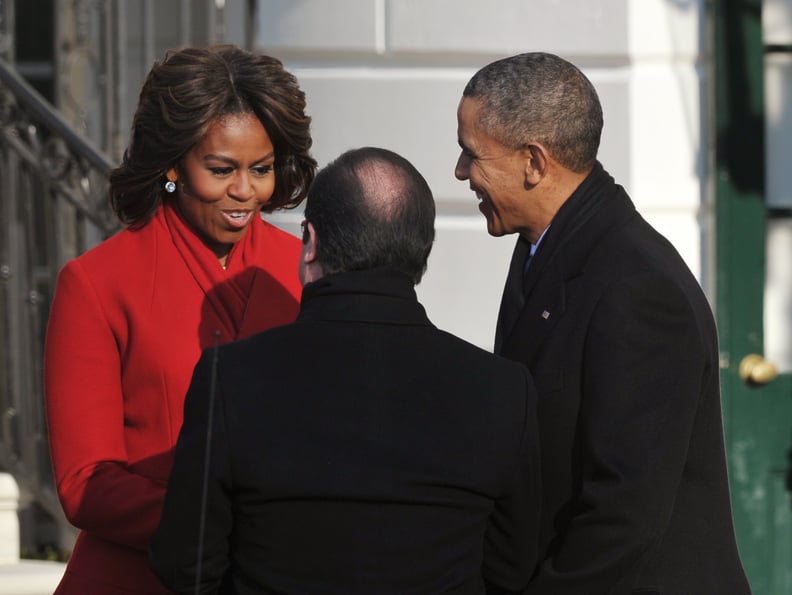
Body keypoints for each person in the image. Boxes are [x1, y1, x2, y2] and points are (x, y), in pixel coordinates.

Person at [148, 146, 542, 594]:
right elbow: (513, 567)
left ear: (311, 241)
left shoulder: (231, 378)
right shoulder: (503, 391)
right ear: (421, 253)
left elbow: (187, 564)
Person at [454, 52, 751, 594]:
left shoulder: (638, 288)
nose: (460, 173)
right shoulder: (548, 247)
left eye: (471, 155)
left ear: (534, 162)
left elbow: (623, 514)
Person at [43, 44, 316, 594]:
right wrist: (219, 524)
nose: (245, 192)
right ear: (172, 163)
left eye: (260, 169)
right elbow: (83, 484)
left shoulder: (306, 270)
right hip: (137, 576)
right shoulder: (96, 284)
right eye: (221, 170)